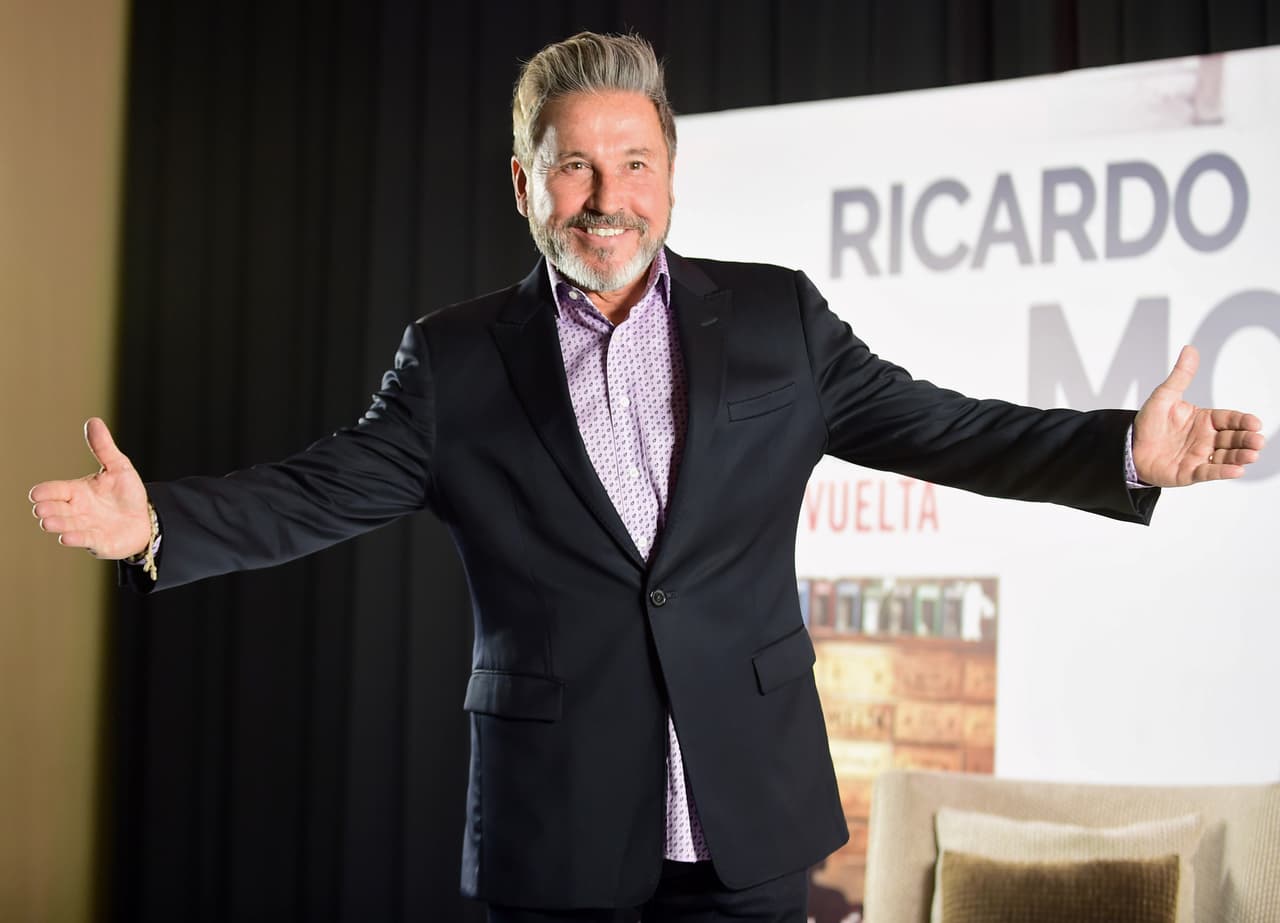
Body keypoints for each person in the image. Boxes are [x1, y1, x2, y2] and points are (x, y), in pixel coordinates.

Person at [28, 32, 1265, 923]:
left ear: (669, 171)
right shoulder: (454, 361)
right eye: (572, 166)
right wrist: (158, 521)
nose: (605, 198)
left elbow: (940, 428)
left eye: (631, 162)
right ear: (525, 185)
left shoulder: (778, 322)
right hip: (555, 822)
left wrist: (1122, 448)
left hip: (748, 813)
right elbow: (322, 487)